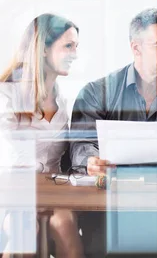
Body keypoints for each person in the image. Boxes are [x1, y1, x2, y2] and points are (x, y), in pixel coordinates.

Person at [69, 8, 157, 256]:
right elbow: (80, 146)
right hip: (111, 209)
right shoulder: (96, 93)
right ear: (136, 48)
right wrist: (91, 161)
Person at [0, 14, 83, 258]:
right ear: (43, 50)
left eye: (76, 46)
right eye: (68, 46)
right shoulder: (7, 95)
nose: (75, 54)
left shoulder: (63, 101)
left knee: (64, 224)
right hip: (13, 194)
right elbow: (11, 154)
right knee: (24, 230)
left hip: (55, 192)